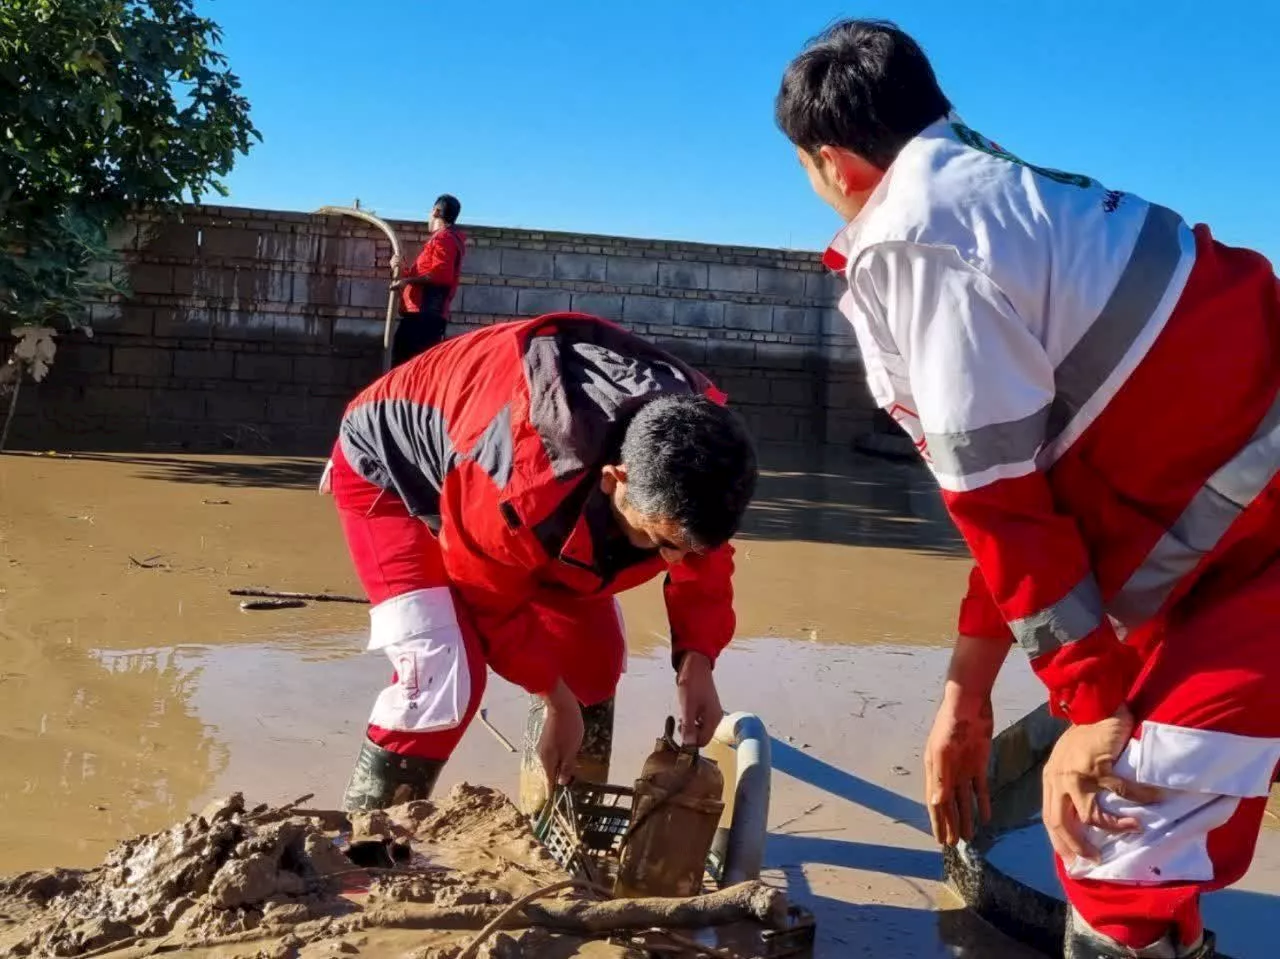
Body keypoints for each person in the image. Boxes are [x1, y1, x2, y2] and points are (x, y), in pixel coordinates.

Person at [778, 19, 1280, 959]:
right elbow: (1027, 500)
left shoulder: (913, 240)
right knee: (1138, 835)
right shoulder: (1005, 196)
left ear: (834, 163)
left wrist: (1090, 704)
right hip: (1238, 550)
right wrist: (966, 695)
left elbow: (1000, 501)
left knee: (1114, 837)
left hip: (1254, 563)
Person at [322, 311, 758, 812]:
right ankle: (372, 841)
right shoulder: (520, 485)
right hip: (391, 470)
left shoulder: (700, 459)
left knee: (592, 671)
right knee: (442, 677)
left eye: (687, 548)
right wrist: (553, 698)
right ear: (615, 479)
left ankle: (554, 811)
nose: (676, 561)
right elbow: (489, 598)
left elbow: (701, 558)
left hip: (517, 483)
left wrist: (696, 662)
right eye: (661, 543)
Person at [388, 194, 466, 365]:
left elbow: (441, 275)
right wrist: (402, 269)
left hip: (423, 319)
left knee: (405, 369)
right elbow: (431, 273)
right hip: (423, 317)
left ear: (436, 211)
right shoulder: (445, 239)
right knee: (406, 369)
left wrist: (407, 282)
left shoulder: (444, 238)